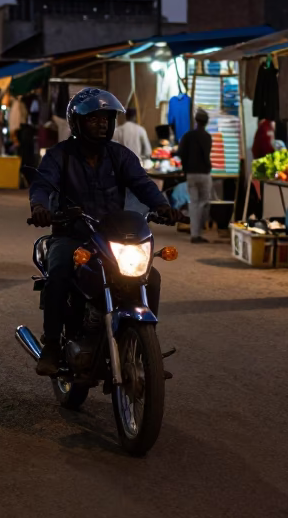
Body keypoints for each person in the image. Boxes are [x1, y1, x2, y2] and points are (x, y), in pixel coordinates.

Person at [28, 87, 178, 376]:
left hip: (112, 235)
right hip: (72, 233)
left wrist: (162, 206)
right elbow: (42, 185)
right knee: (59, 270)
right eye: (93, 119)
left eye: (106, 119)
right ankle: (52, 347)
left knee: (151, 276)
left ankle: (147, 345)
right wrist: (39, 207)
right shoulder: (61, 155)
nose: (101, 124)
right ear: (77, 123)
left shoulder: (120, 156)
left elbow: (143, 183)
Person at [178, 109, 213, 244]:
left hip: (191, 174)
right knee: (204, 203)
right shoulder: (207, 137)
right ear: (206, 122)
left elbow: (181, 152)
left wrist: (185, 166)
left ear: (196, 121)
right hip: (204, 173)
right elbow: (206, 155)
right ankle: (199, 232)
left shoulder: (188, 136)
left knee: (193, 203)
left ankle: (194, 234)